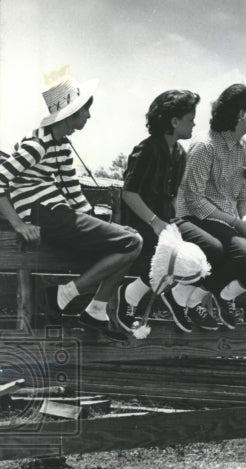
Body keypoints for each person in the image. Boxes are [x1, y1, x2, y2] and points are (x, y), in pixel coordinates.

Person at [0, 77, 142, 341]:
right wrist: (19, 224)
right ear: (71, 114)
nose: (88, 114)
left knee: (129, 241)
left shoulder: (63, 145)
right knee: (132, 242)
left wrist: (108, 227)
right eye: (85, 109)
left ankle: (95, 311)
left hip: (61, 214)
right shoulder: (37, 145)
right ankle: (65, 296)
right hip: (45, 214)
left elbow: (74, 196)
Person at [175, 83, 246, 330]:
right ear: (241, 114)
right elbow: (194, 200)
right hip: (199, 218)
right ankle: (191, 300)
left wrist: (245, 221)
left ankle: (226, 294)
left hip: (230, 220)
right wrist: (237, 224)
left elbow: (245, 195)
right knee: (245, 254)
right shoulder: (205, 146)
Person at [119, 89, 227, 332]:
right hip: (142, 222)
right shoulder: (146, 150)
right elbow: (129, 193)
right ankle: (129, 297)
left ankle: (179, 297)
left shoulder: (180, 153)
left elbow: (177, 194)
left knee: (214, 248)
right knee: (170, 253)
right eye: (190, 118)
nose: (194, 123)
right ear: (174, 121)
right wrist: (156, 222)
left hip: (169, 221)